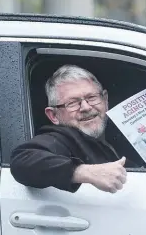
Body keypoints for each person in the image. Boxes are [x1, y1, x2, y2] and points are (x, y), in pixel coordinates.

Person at [10, 64, 137, 194]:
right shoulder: (60, 139)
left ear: (105, 100)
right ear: (53, 115)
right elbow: (22, 161)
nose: (86, 107)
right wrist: (84, 172)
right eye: (72, 103)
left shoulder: (121, 133)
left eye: (91, 97)